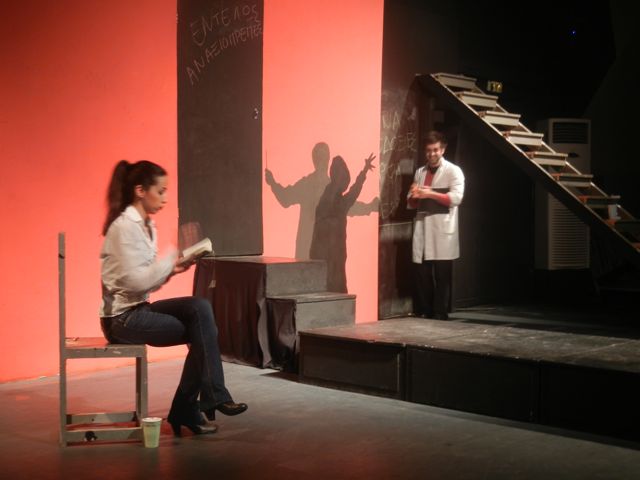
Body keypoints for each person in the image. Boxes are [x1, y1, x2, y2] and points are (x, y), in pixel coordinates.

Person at [99, 160, 247, 437]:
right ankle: (195, 404)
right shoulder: (124, 227)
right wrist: (171, 257)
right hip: (121, 319)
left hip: (139, 308)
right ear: (140, 191)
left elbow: (148, 282)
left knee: (199, 307)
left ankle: (199, 402)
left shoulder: (147, 226)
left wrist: (176, 267)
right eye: (161, 191)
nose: (165, 198)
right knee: (203, 331)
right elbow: (135, 281)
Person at [407, 131, 465, 320]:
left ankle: (440, 313)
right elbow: (412, 203)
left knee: (442, 275)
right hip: (423, 226)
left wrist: (430, 193)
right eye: (428, 151)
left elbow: (456, 198)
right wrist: (414, 195)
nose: (431, 154)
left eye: (435, 150)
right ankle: (426, 310)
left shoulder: (453, 171)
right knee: (422, 273)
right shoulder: (420, 172)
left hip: (442, 229)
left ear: (443, 150)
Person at [309, 153, 376, 292]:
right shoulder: (330, 198)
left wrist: (364, 171)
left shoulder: (337, 200)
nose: (344, 181)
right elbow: (352, 193)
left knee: (336, 287)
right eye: (343, 177)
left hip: (335, 257)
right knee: (330, 288)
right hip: (326, 257)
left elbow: (353, 192)